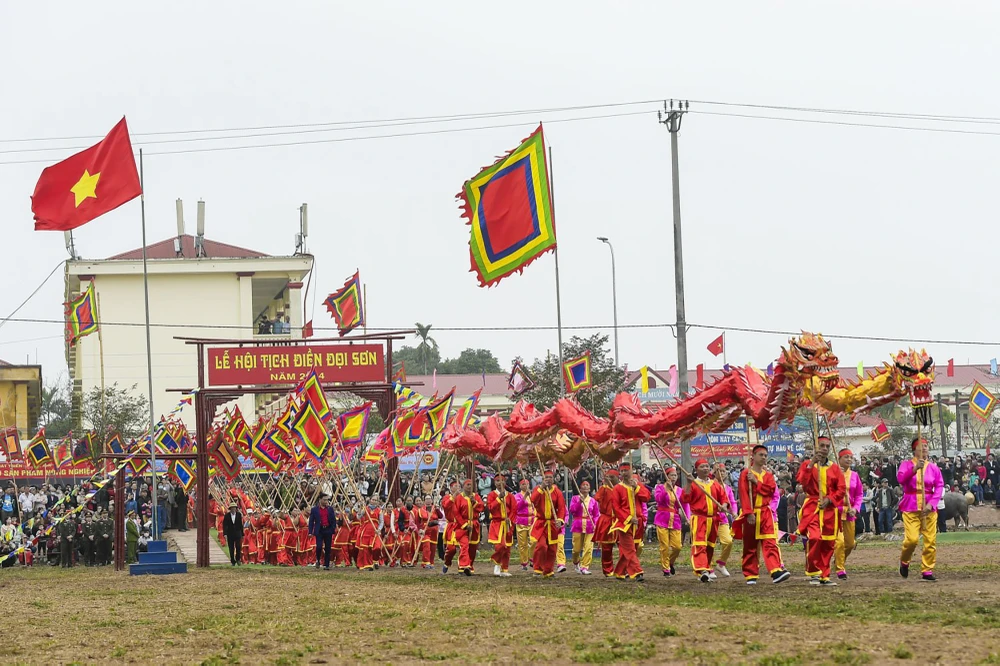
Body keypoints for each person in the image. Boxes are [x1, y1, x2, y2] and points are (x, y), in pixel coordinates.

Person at [736, 445, 791, 585]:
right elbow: (743, 494)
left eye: (765, 455)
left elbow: (771, 491)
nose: (764, 457)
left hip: (766, 513)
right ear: (753, 456)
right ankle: (750, 573)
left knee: (770, 542)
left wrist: (756, 482)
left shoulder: (768, 476)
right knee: (750, 545)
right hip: (752, 512)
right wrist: (748, 513)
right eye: (761, 455)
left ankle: (775, 570)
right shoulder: (745, 474)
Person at [796, 436, 845, 587]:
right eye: (821, 446)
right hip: (812, 507)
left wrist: (830, 499)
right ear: (815, 447)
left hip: (830, 510)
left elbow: (841, 489)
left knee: (828, 543)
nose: (824, 449)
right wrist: (811, 463)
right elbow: (803, 483)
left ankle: (825, 575)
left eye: (827, 446)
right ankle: (813, 571)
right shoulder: (807, 465)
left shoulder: (834, 468)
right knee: (815, 537)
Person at [898, 437, 944, 582]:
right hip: (911, 505)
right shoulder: (905, 465)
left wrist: (932, 504)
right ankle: (904, 561)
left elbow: (939, 486)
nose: (924, 448)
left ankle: (927, 570)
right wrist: (914, 469)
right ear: (914, 449)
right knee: (912, 540)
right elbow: (900, 480)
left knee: (930, 540)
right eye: (921, 445)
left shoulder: (933, 467)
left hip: (929, 506)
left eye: (926, 445)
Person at [681, 458, 730, 583]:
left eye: (707, 466)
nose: (705, 468)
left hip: (713, 519)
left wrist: (724, 506)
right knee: (699, 544)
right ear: (696, 470)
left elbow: (724, 498)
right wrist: (689, 483)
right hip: (699, 518)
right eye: (702, 466)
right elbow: (685, 498)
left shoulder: (715, 484)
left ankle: (707, 568)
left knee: (710, 546)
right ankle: (701, 570)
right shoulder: (694, 484)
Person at [610, 462, 651, 581]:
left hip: (638, 522)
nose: (624, 473)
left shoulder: (637, 485)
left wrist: (637, 488)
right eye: (622, 471)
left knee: (632, 549)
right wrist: (628, 518)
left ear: (631, 471)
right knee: (629, 549)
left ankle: (619, 572)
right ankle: (637, 572)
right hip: (624, 523)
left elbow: (646, 497)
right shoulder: (617, 488)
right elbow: (616, 507)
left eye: (626, 470)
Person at [530, 469, 567, 577]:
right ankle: (537, 568)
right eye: (546, 477)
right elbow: (533, 499)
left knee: (552, 548)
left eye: (550, 477)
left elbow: (561, 508)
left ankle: (548, 570)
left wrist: (560, 520)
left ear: (553, 479)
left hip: (552, 523)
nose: (548, 479)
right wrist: (541, 488)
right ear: (543, 479)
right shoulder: (538, 489)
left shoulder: (557, 492)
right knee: (541, 546)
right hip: (541, 523)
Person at [834, 449, 863, 580]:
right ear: (839, 459)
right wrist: (836, 476)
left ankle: (838, 560)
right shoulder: (833, 473)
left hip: (850, 513)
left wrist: (856, 508)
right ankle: (840, 569)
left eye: (851, 457)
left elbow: (859, 494)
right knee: (839, 542)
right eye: (846, 457)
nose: (849, 460)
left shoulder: (855, 475)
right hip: (836, 512)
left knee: (850, 544)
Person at [653, 467, 687, 577]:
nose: (673, 477)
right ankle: (666, 568)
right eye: (671, 475)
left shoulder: (679, 490)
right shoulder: (660, 488)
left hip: (675, 520)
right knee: (664, 546)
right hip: (662, 519)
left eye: (675, 475)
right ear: (666, 477)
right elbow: (658, 499)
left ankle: (670, 562)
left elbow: (684, 504)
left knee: (677, 546)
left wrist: (687, 517)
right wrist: (666, 489)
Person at [451, 479, 484, 576]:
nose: (470, 487)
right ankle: (463, 565)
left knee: (473, 548)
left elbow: (481, 508)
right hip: (462, 525)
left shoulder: (476, 496)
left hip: (474, 524)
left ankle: (470, 565)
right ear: (464, 486)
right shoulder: (459, 498)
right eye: (468, 485)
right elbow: (456, 513)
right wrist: (464, 525)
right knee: (464, 545)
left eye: (471, 485)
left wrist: (475, 502)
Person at [487, 473, 517, 577]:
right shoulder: (492, 495)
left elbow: (514, 509)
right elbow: (490, 508)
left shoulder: (510, 496)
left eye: (502, 480)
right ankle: (496, 563)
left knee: (507, 548)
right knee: (500, 546)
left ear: (505, 482)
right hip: (497, 523)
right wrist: (498, 499)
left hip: (508, 524)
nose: (500, 483)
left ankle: (504, 569)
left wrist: (510, 519)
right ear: (494, 483)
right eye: (497, 481)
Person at [569, 480, 599, 575]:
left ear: (589, 489)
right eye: (583, 485)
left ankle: (585, 566)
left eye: (587, 485)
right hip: (578, 525)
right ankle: (576, 562)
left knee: (588, 547)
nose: (585, 486)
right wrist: (579, 502)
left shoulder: (593, 501)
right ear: (580, 488)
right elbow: (572, 510)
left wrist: (596, 524)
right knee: (576, 549)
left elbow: (596, 515)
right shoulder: (575, 498)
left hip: (590, 526)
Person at [712, 463, 737, 578]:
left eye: (723, 471)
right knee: (709, 544)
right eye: (719, 471)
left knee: (728, 541)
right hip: (710, 518)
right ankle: (707, 567)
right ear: (714, 472)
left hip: (722, 519)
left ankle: (721, 564)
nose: (721, 473)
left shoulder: (728, 488)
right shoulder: (709, 484)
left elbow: (732, 502)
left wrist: (734, 512)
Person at [594, 468, 619, 577]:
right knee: (606, 548)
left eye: (612, 477)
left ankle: (624, 569)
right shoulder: (604, 489)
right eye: (609, 477)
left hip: (619, 520)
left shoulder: (620, 488)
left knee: (624, 546)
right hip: (607, 520)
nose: (610, 479)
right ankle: (608, 570)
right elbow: (596, 498)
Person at [309, 495, 338, 570]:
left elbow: (333, 519)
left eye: (327, 500)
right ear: (320, 500)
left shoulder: (330, 509)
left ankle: (326, 564)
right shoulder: (314, 510)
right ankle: (318, 560)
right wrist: (310, 532)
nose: (326, 501)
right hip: (319, 530)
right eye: (324, 500)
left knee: (328, 547)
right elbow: (311, 521)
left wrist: (333, 528)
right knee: (319, 546)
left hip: (328, 529)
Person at [513, 478, 535, 571]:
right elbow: (517, 507)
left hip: (532, 521)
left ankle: (532, 558)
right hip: (521, 521)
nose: (525, 486)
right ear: (520, 486)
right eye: (523, 484)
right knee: (523, 544)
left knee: (534, 540)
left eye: (527, 484)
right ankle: (524, 563)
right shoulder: (517, 496)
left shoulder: (532, 495)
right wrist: (525, 497)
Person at [222, 501, 244, 566]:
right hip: (230, 533)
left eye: (234, 508)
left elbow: (240, 524)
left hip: (237, 533)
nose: (233, 509)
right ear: (230, 509)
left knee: (238, 547)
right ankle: (232, 561)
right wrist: (225, 534)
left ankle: (238, 559)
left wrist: (242, 534)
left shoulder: (239, 515)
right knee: (231, 548)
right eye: (232, 508)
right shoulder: (227, 515)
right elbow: (225, 525)